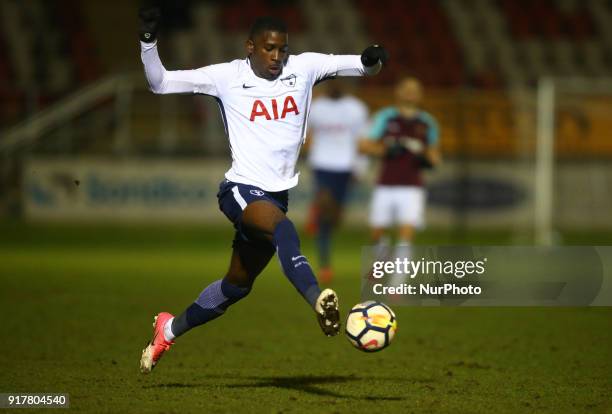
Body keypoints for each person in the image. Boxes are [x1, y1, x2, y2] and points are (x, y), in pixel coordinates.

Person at [137, 8, 388, 373]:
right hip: (240, 189)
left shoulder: (303, 68)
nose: (277, 57)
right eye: (269, 49)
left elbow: (363, 65)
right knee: (283, 228)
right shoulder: (225, 76)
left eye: (282, 49)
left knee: (236, 287)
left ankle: (169, 329)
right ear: (250, 47)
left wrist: (374, 58)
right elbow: (159, 82)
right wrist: (148, 41)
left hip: (276, 195)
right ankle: (318, 299)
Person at [359, 77, 440, 270]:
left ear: (420, 95)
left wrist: (428, 160)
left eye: (415, 89)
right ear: (398, 92)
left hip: (412, 187)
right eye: (407, 89)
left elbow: (435, 154)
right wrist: (385, 150)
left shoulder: (427, 122)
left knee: (406, 234)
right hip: (385, 184)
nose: (411, 93)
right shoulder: (385, 117)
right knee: (377, 233)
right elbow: (364, 146)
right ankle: (382, 262)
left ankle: (397, 282)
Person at [303, 81, 369, 283]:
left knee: (334, 218)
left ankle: (320, 215)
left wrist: (360, 167)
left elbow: (363, 139)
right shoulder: (316, 108)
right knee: (325, 209)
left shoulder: (357, 108)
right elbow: (307, 133)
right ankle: (325, 265)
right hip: (322, 164)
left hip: (345, 166)